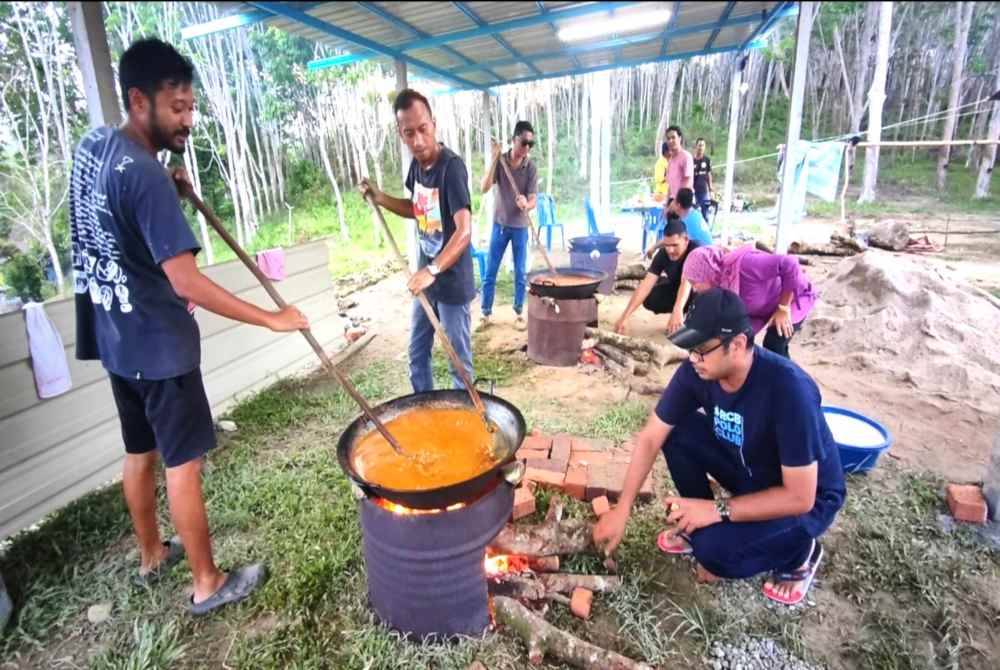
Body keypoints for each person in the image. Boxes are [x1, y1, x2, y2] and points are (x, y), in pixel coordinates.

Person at [69, 39, 308, 615]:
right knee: (184, 463)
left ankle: (152, 553)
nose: (187, 120)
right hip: (160, 348)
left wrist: (170, 189)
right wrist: (272, 319)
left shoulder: (94, 147)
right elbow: (187, 283)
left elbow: (116, 219)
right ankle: (207, 581)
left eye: (190, 106)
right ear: (138, 100)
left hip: (116, 341)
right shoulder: (147, 177)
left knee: (139, 450)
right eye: (176, 107)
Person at [594, 288, 845, 606]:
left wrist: (717, 510)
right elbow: (651, 437)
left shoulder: (789, 390)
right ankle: (696, 523)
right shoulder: (696, 371)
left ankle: (801, 553)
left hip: (806, 500)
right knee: (677, 431)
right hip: (750, 469)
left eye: (701, 350)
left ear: (738, 344)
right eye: (690, 349)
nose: (692, 359)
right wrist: (622, 509)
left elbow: (800, 496)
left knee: (715, 553)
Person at [359, 89, 475, 392]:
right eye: (409, 133)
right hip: (428, 277)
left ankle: (465, 423)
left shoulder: (452, 168)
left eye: (423, 129)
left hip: (450, 280)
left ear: (433, 123)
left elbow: (464, 231)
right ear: (401, 133)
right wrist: (381, 198)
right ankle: (426, 414)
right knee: (416, 353)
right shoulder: (417, 166)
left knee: (458, 362)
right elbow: (418, 208)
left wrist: (431, 270)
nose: (418, 141)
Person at [681, 246, 816, 359]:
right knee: (733, 344)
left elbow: (789, 263)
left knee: (774, 343)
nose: (694, 288)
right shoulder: (718, 282)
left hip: (791, 297)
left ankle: (788, 385)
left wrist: (783, 308)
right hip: (759, 310)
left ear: (705, 272)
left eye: (695, 282)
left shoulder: (747, 264)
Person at [479, 121, 538, 327]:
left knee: (520, 272)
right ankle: (485, 312)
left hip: (521, 227)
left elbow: (533, 200)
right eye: (524, 142)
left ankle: (519, 312)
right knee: (490, 271)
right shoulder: (501, 162)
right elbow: (484, 188)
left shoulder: (530, 168)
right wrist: (494, 159)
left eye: (531, 144)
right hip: (500, 225)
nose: (527, 148)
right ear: (514, 140)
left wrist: (527, 204)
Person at [614, 216, 699, 336]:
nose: (670, 250)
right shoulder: (663, 253)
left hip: (701, 292)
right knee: (651, 298)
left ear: (686, 240)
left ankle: (690, 319)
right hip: (678, 287)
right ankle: (681, 316)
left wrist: (677, 309)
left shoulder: (696, 251)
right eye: (667, 245)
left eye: (675, 245)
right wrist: (624, 316)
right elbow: (646, 284)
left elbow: (687, 282)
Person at [664, 125, 693, 203]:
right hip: (673, 201)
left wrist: (678, 202)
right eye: (668, 138)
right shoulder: (670, 161)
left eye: (673, 137)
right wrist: (667, 203)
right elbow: (670, 186)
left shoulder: (686, 157)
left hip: (683, 202)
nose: (670, 141)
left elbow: (687, 182)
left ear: (680, 138)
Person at [692, 138, 714, 222]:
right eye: (699, 145)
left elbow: (709, 174)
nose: (701, 148)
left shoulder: (707, 160)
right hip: (693, 191)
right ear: (696, 146)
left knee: (705, 212)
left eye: (703, 145)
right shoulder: (691, 160)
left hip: (703, 191)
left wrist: (711, 189)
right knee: (694, 213)